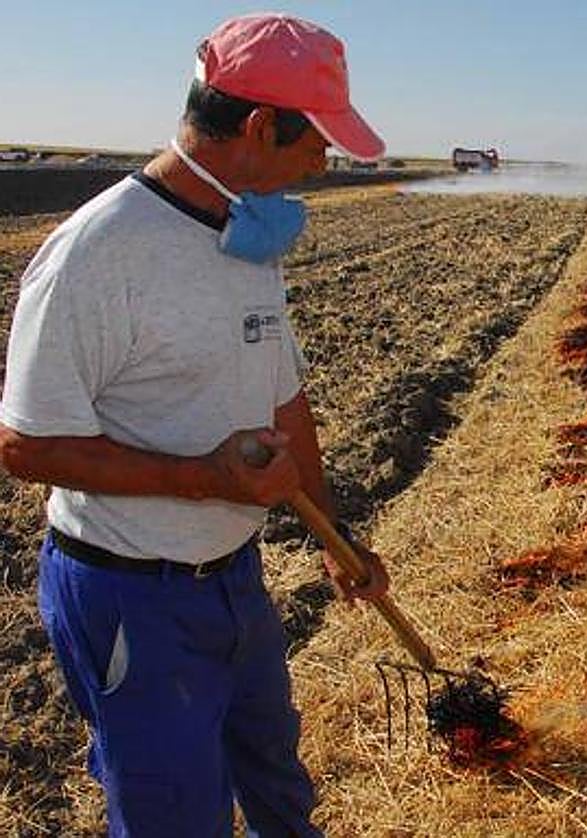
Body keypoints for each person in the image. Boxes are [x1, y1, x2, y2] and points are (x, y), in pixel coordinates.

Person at [0, 13, 390, 837]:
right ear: (257, 127)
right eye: (316, 143)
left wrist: (336, 535)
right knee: (176, 814)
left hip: (232, 579)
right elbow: (25, 445)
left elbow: (284, 401)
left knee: (277, 778)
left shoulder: (245, 237)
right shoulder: (99, 255)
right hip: (132, 593)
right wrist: (204, 479)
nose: (322, 165)